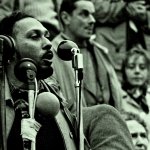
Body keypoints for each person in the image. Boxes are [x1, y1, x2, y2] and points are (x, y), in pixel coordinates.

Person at [0, 11, 134, 150]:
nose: (47, 43)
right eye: (34, 37)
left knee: (105, 114)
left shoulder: (56, 97)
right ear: (8, 47)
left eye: (47, 36)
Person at [49, 0, 123, 113]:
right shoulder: (51, 55)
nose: (92, 20)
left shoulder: (101, 53)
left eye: (92, 15)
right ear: (65, 18)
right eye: (84, 14)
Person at [92, 0, 150, 82]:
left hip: (145, 48)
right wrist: (124, 9)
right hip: (112, 50)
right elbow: (91, 8)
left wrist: (146, 16)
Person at [120, 46, 150, 145]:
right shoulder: (117, 98)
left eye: (142, 67)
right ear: (124, 71)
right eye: (131, 67)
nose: (137, 71)